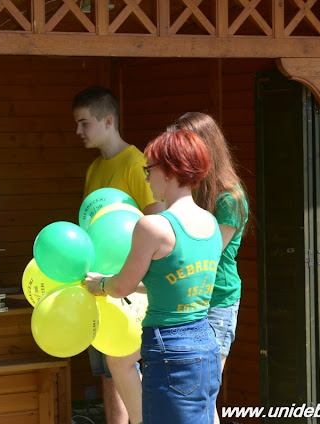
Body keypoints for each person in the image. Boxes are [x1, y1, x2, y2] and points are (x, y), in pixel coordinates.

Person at [84, 129, 223, 424]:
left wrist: (101, 284)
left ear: (170, 170)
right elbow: (173, 281)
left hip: (168, 347)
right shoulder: (210, 222)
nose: (146, 177)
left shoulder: (153, 227)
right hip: (205, 342)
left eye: (150, 169)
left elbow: (123, 287)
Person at [73, 86, 164, 424]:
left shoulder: (136, 163)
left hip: (130, 288)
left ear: (107, 121)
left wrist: (136, 280)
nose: (78, 131)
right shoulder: (94, 168)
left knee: (122, 367)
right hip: (100, 285)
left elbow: (157, 220)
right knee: (106, 370)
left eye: (84, 123)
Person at [169, 112, 249, 424]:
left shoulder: (230, 197)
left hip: (217, 302)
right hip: (187, 299)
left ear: (205, 147)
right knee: (188, 393)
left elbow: (207, 255)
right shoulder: (188, 189)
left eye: (183, 145)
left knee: (203, 393)